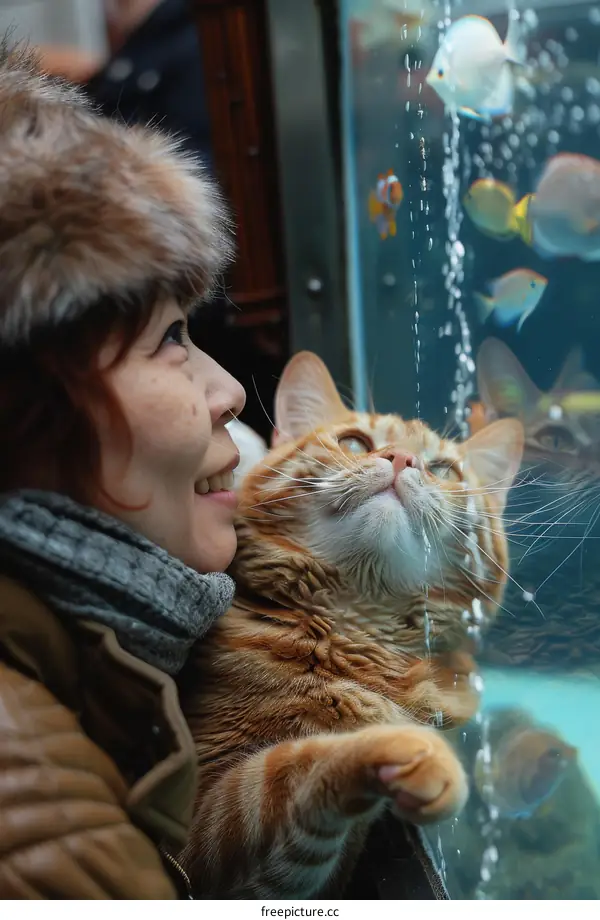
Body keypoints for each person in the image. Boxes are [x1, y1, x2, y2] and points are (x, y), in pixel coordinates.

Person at [0, 41, 246, 899]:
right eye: (170, 339)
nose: (229, 391)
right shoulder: (36, 814)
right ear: (26, 412)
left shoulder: (70, 658)